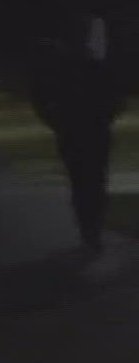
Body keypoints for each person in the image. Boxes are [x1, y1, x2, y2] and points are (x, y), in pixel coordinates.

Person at [31, 17, 123, 255]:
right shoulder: (91, 70)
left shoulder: (65, 70)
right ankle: (92, 228)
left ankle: (89, 228)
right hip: (89, 130)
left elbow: (41, 99)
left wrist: (56, 122)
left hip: (78, 130)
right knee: (93, 180)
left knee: (82, 181)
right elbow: (116, 99)